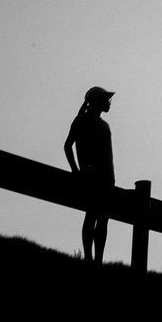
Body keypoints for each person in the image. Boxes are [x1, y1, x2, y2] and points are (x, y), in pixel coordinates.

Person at [64, 86, 116, 262]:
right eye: (106, 99)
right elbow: (67, 145)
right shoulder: (81, 121)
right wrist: (75, 170)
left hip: (106, 178)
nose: (109, 102)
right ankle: (88, 257)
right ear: (97, 101)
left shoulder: (102, 124)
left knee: (102, 218)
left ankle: (97, 260)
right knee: (93, 214)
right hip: (92, 176)